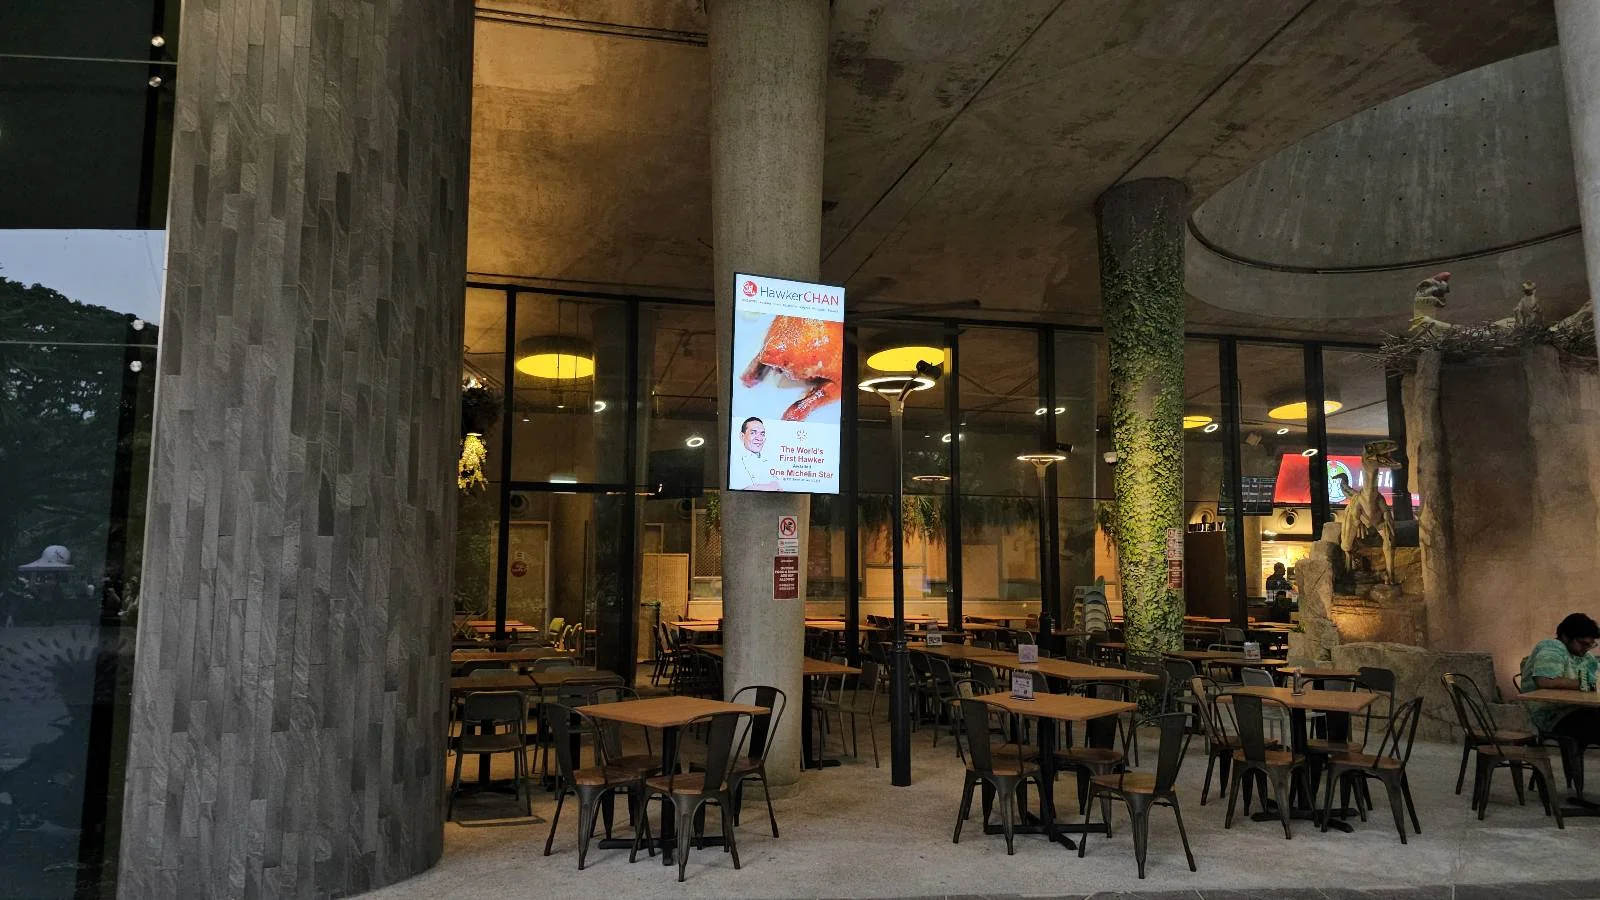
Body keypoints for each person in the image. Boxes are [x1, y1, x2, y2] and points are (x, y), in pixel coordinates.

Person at [1519, 613, 1600, 801]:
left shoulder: (1584, 656)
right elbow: (1545, 680)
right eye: (1582, 643)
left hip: (1575, 710)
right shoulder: (1551, 647)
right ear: (1565, 637)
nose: (1585, 649)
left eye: (1590, 645)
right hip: (1551, 715)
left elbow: (1594, 677)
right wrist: (1586, 684)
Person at [729, 417, 780, 491]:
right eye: (753, 433)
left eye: (762, 434)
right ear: (742, 436)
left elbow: (777, 486)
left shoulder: (770, 461)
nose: (759, 438)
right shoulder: (733, 460)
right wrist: (768, 487)